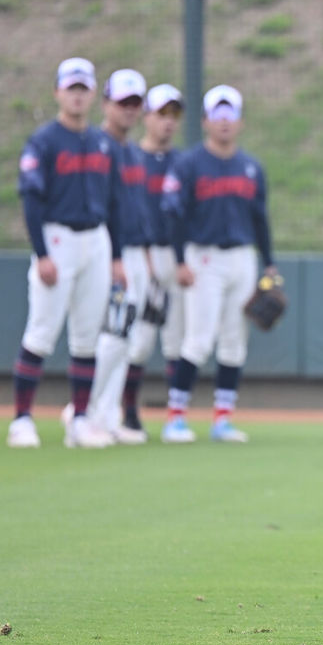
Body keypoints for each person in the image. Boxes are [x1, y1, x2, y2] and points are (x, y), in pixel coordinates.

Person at [8, 57, 124, 449]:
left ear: (92, 94)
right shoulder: (44, 141)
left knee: (87, 337)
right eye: (70, 88)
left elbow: (116, 204)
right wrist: (41, 252)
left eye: (83, 88)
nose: (76, 95)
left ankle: (80, 419)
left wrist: (116, 256)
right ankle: (21, 419)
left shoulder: (103, 143)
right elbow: (30, 199)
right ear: (58, 92)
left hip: (96, 238)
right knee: (41, 331)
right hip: (57, 238)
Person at [160, 84, 277, 443]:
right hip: (203, 257)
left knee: (233, 341)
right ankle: (175, 418)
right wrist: (180, 260)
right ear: (206, 121)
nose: (225, 122)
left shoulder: (251, 167)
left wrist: (269, 264)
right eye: (218, 115)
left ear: (240, 122)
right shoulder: (190, 163)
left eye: (231, 115)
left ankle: (222, 420)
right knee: (198, 339)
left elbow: (260, 220)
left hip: (242, 257)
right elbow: (175, 217)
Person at [79, 68, 156, 445]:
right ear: (106, 103)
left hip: (137, 253)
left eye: (135, 104)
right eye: (122, 102)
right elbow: (101, 207)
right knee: (113, 333)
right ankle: (83, 410)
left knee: (127, 338)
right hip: (112, 253)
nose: (128, 110)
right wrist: (113, 257)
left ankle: (107, 415)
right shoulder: (98, 146)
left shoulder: (131, 152)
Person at [132, 83, 186, 430]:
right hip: (138, 254)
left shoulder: (183, 162)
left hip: (176, 256)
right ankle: (124, 411)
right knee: (137, 341)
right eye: (160, 114)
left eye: (174, 115)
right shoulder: (131, 157)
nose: (167, 122)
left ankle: (174, 416)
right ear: (146, 116)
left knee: (176, 339)